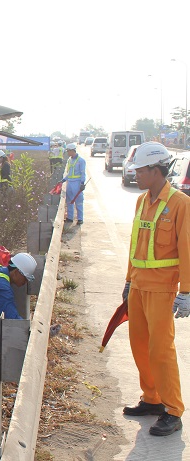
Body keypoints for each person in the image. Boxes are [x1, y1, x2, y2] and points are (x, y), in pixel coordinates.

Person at [120, 141, 190, 437]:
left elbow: (187, 249)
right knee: (139, 346)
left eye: (139, 170)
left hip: (163, 290)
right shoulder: (141, 201)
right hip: (138, 286)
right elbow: (135, 245)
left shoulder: (180, 204)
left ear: (155, 170)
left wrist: (185, 292)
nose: (135, 174)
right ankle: (152, 399)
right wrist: (127, 280)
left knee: (161, 350)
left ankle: (173, 410)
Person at [61, 143, 86, 224]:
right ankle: (70, 217)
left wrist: (82, 183)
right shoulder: (69, 160)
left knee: (78, 201)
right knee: (69, 201)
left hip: (77, 183)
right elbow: (69, 173)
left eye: (68, 151)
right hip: (70, 183)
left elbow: (83, 173)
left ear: (72, 151)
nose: (67, 153)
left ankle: (80, 219)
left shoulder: (81, 161)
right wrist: (63, 180)